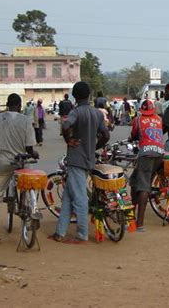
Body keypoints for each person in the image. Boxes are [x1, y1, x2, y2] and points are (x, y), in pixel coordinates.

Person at [49, 81, 110, 244]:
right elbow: (106, 135)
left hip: (76, 159)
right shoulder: (97, 113)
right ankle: (60, 232)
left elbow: (65, 124)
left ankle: (82, 234)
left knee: (80, 198)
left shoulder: (76, 112)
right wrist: (93, 147)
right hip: (88, 158)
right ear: (89, 95)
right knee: (69, 196)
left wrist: (69, 139)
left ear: (75, 96)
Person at [0, 93, 38, 243]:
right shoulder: (26, 120)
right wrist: (34, 153)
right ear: (20, 106)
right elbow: (29, 147)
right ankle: (27, 204)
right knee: (27, 185)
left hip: (3, 162)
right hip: (21, 163)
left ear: (7, 105)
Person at [129, 99, 164, 232]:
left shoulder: (138, 120)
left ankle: (140, 224)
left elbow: (133, 135)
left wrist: (134, 138)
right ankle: (130, 214)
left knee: (143, 186)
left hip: (146, 154)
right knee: (134, 180)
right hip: (159, 154)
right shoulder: (159, 119)